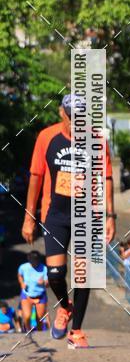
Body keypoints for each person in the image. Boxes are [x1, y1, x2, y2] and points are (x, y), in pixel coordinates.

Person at [20, 94, 116, 349]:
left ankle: (77, 331)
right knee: (54, 275)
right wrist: (29, 217)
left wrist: (110, 216)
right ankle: (65, 306)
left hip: (87, 214)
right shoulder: (46, 137)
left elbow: (106, 177)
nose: (77, 123)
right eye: (72, 118)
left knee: (83, 276)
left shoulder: (96, 139)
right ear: (62, 113)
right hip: (55, 215)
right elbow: (35, 178)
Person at [17, 250, 49, 333]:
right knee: (27, 316)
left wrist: (44, 282)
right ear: (29, 259)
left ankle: (39, 334)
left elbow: (48, 284)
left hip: (40, 295)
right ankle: (28, 331)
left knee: (39, 318)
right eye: (32, 262)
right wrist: (22, 283)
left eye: (36, 261)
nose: (34, 263)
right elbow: (19, 275)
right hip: (27, 294)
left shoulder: (44, 268)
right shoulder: (23, 267)